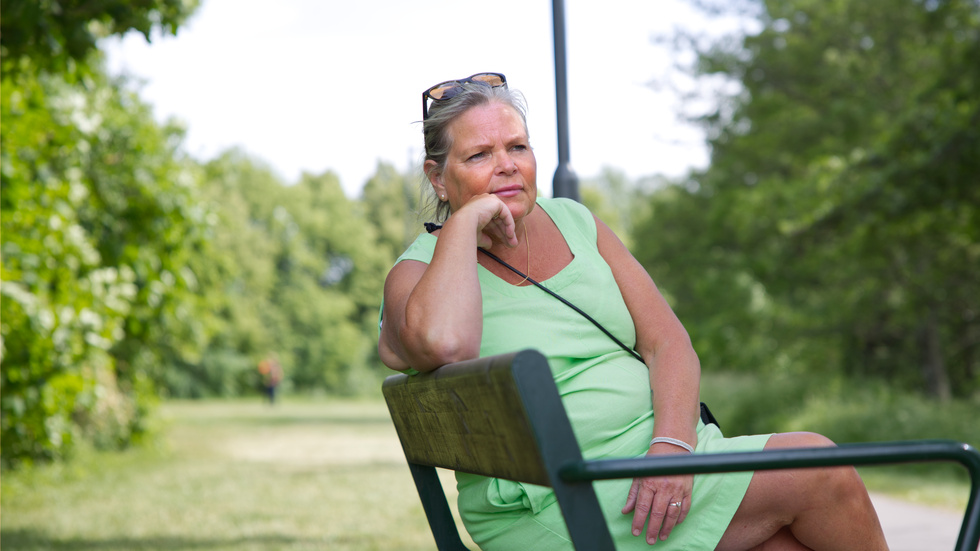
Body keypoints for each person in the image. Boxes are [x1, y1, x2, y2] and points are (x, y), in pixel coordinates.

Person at [379, 72, 888, 550]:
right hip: (560, 494)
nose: (508, 165)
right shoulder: (417, 273)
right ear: (438, 177)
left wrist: (671, 450)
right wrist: (466, 225)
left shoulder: (576, 221)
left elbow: (669, 343)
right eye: (479, 155)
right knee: (822, 469)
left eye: (518, 147)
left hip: (660, 458)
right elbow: (446, 345)